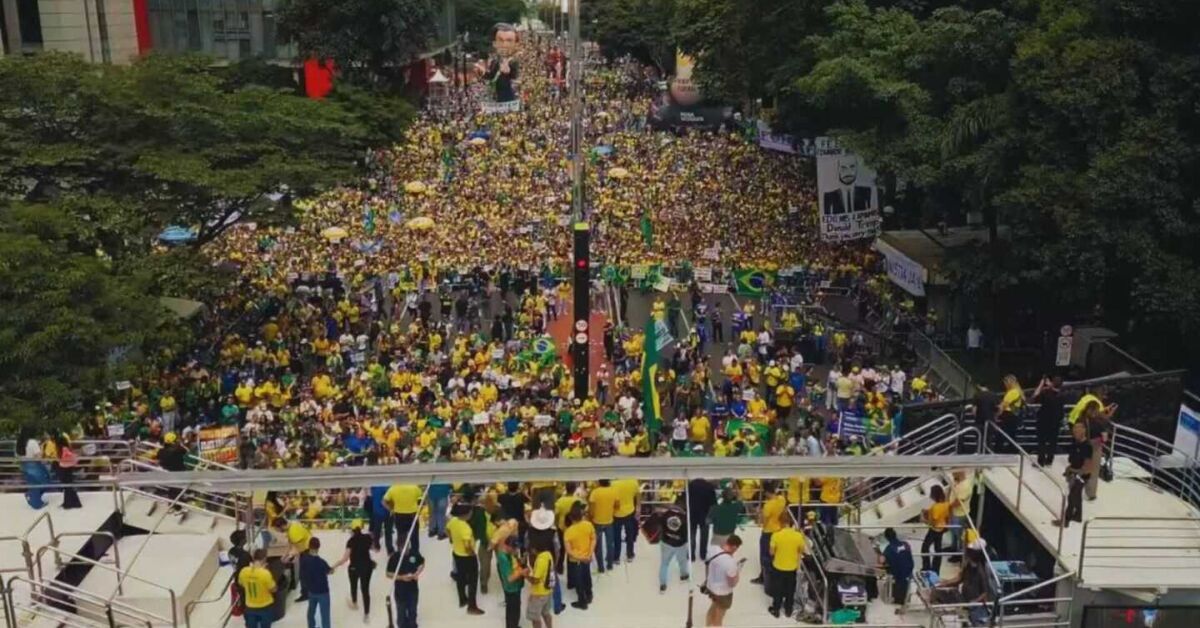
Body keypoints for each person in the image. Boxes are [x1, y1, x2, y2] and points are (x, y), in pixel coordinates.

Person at [332, 519, 374, 621]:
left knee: (353, 585)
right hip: (367, 567)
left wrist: (334, 566)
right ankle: (366, 614)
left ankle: (354, 603)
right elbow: (372, 548)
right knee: (365, 590)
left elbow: (345, 559)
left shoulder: (350, 541)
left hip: (354, 567)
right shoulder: (368, 538)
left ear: (352, 530)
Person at [1053, 421, 1093, 527]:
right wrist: (1069, 469)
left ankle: (1066, 520)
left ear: (1083, 431)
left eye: (1078, 430)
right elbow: (1073, 459)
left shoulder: (1087, 446)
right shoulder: (1075, 444)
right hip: (1073, 471)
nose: (1075, 432)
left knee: (1072, 497)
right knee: (1076, 496)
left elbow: (1087, 463)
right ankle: (1078, 515)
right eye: (1074, 430)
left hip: (1080, 475)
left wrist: (1078, 474)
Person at [447, 503, 484, 615]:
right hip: (467, 557)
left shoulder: (453, 521)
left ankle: (462, 599)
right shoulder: (466, 528)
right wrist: (472, 553)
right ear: (466, 515)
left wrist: (452, 539)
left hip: (456, 553)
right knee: (473, 581)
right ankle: (472, 607)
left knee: (461, 577)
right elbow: (467, 546)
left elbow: (447, 530)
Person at [703, 534, 745, 627]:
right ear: (734, 547)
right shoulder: (730, 563)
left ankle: (707, 625)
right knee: (719, 616)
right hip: (723, 592)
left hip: (710, 586)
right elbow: (732, 583)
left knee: (713, 606)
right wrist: (737, 572)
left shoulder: (713, 550)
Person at [767, 522, 806, 618]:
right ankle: (788, 610)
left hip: (778, 566)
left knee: (777, 588)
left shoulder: (776, 535)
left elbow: (771, 552)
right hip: (792, 567)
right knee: (790, 589)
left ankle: (776, 609)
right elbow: (802, 550)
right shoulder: (798, 536)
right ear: (792, 524)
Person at [752, 482, 786, 588]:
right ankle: (776, 576)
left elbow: (763, 522)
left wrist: (759, 513)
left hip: (768, 532)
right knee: (775, 555)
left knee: (765, 556)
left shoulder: (768, 506)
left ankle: (764, 577)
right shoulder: (781, 499)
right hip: (779, 530)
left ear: (766, 492)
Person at [563, 503, 595, 609]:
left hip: (576, 561)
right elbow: (593, 539)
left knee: (578, 581)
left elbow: (569, 551)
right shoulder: (588, 525)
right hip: (587, 558)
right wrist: (589, 554)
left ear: (571, 518)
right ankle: (589, 595)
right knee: (587, 576)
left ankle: (582, 602)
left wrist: (581, 558)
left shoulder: (568, 532)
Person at [494, 524, 526, 628]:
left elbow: (515, 563)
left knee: (516, 608)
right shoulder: (503, 559)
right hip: (511, 589)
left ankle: (514, 625)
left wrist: (521, 561)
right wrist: (521, 572)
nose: (516, 551)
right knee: (512, 610)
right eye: (514, 548)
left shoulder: (511, 553)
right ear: (507, 546)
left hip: (517, 587)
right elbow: (509, 578)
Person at [386, 544, 424, 628]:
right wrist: (401, 577)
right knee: (401, 616)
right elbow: (388, 574)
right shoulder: (394, 558)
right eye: (404, 548)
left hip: (413, 590)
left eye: (408, 547)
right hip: (400, 592)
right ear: (399, 547)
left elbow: (422, 562)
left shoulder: (414, 554)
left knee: (412, 612)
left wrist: (417, 573)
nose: (407, 550)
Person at [297, 537, 333, 628]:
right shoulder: (322, 562)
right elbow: (329, 571)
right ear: (318, 547)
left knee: (311, 612)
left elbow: (303, 573)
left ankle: (311, 626)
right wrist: (331, 570)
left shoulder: (304, 560)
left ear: (309, 546)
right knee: (325, 615)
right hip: (323, 592)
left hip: (311, 591)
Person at [879, 527, 914, 614]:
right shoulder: (906, 544)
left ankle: (897, 600)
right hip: (909, 569)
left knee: (889, 570)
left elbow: (881, 561)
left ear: (887, 538)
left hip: (898, 573)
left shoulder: (889, 548)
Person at [657, 499, 690, 592]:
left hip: (666, 542)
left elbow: (660, 526)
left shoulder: (665, 514)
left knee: (664, 563)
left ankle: (662, 584)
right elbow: (686, 533)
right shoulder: (685, 518)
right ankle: (684, 576)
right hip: (680, 544)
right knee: (682, 561)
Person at [239, 549, 277, 628]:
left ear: (253, 558)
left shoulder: (244, 571)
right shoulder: (265, 573)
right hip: (265, 606)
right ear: (264, 559)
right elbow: (273, 589)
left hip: (250, 606)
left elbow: (241, 584)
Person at [1033, 375, 1065, 467]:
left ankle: (1041, 461)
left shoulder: (1046, 393)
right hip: (1056, 422)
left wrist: (1042, 384)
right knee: (1053, 442)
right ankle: (1049, 461)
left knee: (1042, 441)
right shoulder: (1062, 396)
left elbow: (1035, 396)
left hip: (1043, 420)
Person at [588, 479, 619, 572]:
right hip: (609, 521)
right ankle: (610, 565)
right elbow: (617, 505)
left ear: (599, 482)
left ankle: (601, 567)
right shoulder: (613, 491)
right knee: (610, 544)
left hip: (597, 522)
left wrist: (591, 518)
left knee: (598, 546)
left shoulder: (595, 492)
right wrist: (611, 512)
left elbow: (592, 510)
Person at [526, 532, 555, 628]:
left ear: (534, 549)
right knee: (546, 613)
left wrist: (525, 575)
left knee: (535, 618)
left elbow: (535, 580)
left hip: (538, 594)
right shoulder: (548, 554)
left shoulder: (540, 560)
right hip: (548, 591)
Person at [384, 483, 423, 553]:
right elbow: (421, 500)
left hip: (399, 515)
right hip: (412, 514)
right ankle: (415, 553)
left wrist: (391, 509)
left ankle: (401, 553)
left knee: (401, 536)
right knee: (414, 536)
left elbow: (384, 501)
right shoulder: (414, 487)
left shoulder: (393, 487)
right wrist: (419, 510)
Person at [921, 484, 950, 574]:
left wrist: (924, 520)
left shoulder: (936, 507)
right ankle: (936, 569)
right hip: (941, 529)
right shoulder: (946, 504)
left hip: (934, 530)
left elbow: (933, 521)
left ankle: (926, 567)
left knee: (925, 548)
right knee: (938, 549)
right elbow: (947, 517)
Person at [687, 478, 717, 561]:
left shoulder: (690, 485)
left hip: (692, 514)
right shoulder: (709, 487)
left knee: (692, 534)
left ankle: (691, 554)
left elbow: (685, 500)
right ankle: (703, 554)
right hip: (705, 515)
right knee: (704, 535)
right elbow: (713, 504)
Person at [947, 470, 974, 558]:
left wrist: (948, 507)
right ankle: (953, 547)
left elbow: (959, 501)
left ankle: (958, 554)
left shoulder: (965, 486)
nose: (952, 473)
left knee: (958, 534)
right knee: (953, 532)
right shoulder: (956, 481)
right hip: (954, 513)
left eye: (954, 472)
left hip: (960, 514)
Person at [612, 477, 640, 563]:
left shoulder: (613, 483)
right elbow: (638, 496)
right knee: (630, 535)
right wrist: (638, 508)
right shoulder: (633, 482)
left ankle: (616, 557)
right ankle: (630, 555)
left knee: (616, 536)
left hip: (616, 513)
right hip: (630, 511)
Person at [21, 434, 49, 509]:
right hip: (33, 464)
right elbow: (38, 456)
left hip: (25, 464)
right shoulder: (32, 442)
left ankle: (31, 496)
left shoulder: (20, 441)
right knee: (45, 481)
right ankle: (36, 503)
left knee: (33, 483)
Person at [56, 435, 82, 509]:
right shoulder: (65, 449)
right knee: (68, 487)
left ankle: (70, 503)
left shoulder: (60, 449)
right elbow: (73, 456)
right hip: (67, 469)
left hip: (63, 469)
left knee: (67, 487)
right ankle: (71, 503)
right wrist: (77, 457)